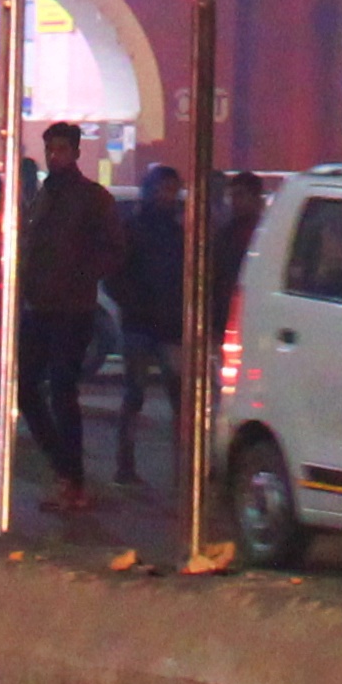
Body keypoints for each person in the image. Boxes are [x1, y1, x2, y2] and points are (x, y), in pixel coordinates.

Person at [15, 123, 124, 511]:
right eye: (51, 149)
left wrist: (80, 274)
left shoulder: (92, 198)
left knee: (62, 391)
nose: (55, 155)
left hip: (72, 310)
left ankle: (72, 479)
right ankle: (65, 468)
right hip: (40, 306)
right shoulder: (45, 195)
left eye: (62, 149)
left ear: (76, 152)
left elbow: (113, 250)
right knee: (25, 387)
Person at [108, 163, 190, 485]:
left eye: (172, 189)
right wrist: (135, 304)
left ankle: (183, 469)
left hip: (168, 327)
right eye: (163, 189)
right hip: (142, 325)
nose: (167, 195)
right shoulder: (134, 229)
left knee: (179, 398)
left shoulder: (177, 232)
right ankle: (125, 465)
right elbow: (114, 275)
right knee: (135, 394)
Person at [208, 169, 268, 340]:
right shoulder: (225, 236)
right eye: (232, 196)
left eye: (240, 195)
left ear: (256, 198)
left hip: (257, 317)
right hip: (227, 318)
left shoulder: (268, 236)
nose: (235, 202)